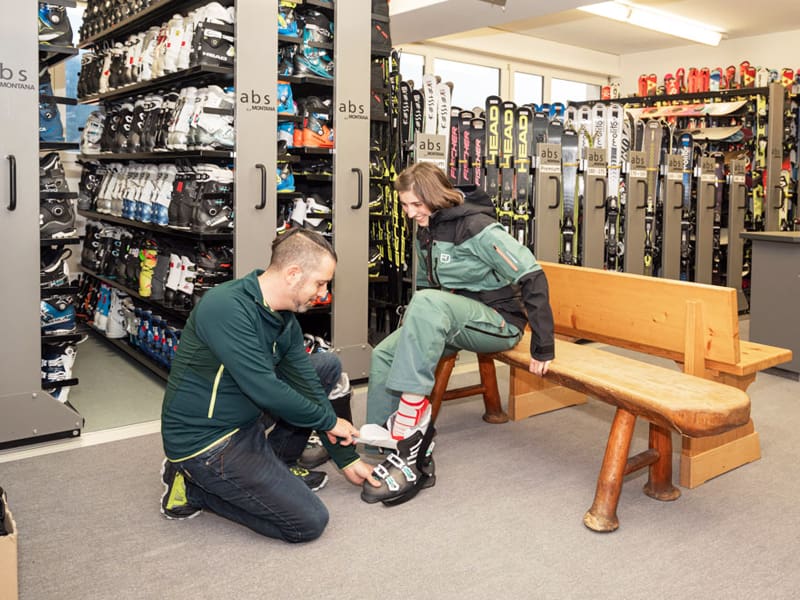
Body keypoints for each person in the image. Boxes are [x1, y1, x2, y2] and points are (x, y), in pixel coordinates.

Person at [160, 228, 377, 543]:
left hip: (243, 417)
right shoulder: (226, 307)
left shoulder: (283, 318)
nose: (323, 292)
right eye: (320, 282)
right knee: (309, 522)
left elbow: (307, 386)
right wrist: (330, 421)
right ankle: (193, 488)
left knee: (325, 366)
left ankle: (280, 464)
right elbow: (266, 390)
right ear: (292, 274)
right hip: (207, 441)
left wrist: (346, 459)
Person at [360, 162, 555, 505]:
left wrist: (543, 346)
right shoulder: (427, 228)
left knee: (428, 303)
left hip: (499, 322)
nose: (410, 213)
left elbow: (532, 275)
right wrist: (413, 336)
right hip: (452, 317)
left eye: (416, 205)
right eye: (404, 205)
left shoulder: (476, 226)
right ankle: (382, 447)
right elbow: (427, 285)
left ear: (435, 197)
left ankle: (411, 425)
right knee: (384, 354)